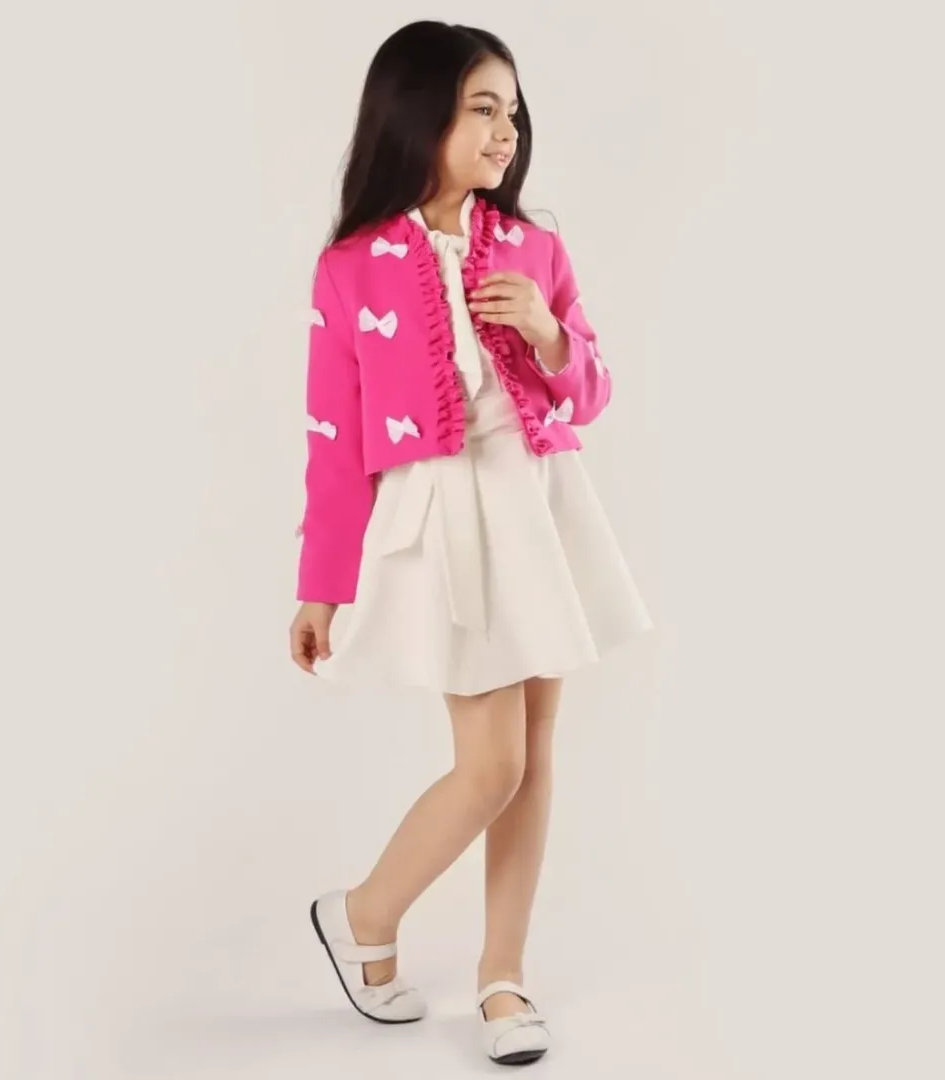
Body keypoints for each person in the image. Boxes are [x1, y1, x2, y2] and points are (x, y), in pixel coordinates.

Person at [289, 19, 652, 1066]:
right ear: (419, 116)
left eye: (512, 111)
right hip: (450, 524)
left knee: (532, 757)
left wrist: (547, 330)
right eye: (482, 108)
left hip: (541, 504)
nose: (506, 131)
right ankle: (363, 912)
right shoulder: (351, 269)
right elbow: (334, 442)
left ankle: (503, 978)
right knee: (489, 764)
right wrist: (320, 585)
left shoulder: (536, 249)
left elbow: (592, 390)